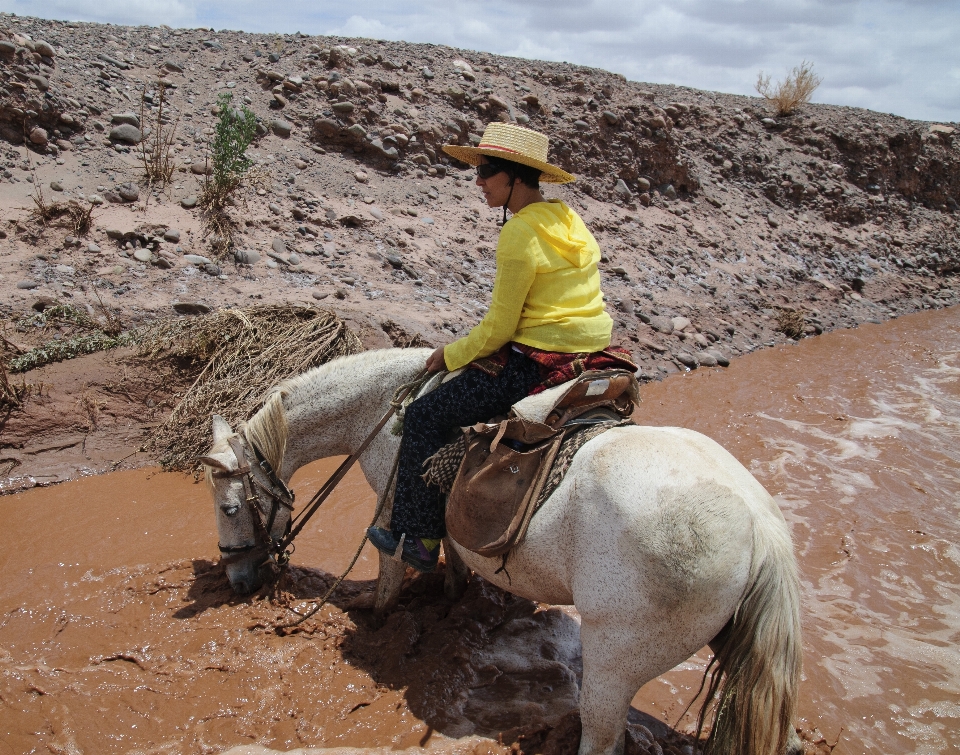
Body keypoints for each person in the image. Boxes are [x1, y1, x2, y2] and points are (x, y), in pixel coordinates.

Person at [368, 122, 635, 572]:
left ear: (513, 176)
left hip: (537, 359)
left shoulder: (518, 234)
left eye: (486, 171)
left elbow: (499, 328)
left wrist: (449, 355)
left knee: (424, 414)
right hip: (590, 350)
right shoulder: (568, 219)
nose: (478, 182)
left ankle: (420, 538)